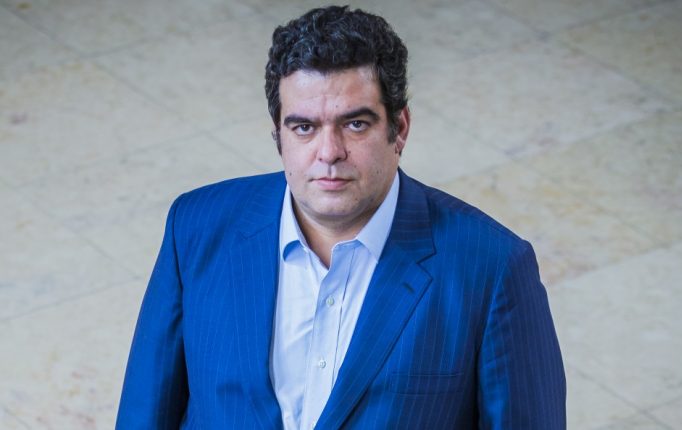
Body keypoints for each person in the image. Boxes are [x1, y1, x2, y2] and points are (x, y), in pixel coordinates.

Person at [116, 5, 565, 429]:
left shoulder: (492, 268)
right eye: (304, 127)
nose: (329, 153)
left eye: (355, 124)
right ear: (278, 134)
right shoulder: (195, 227)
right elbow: (144, 414)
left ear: (399, 128)